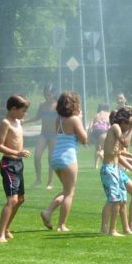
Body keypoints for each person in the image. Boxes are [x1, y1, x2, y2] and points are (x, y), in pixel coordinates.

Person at [41, 91, 88, 232]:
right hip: (68, 158)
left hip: (56, 157)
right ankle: (62, 225)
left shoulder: (58, 119)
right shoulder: (74, 119)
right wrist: (81, 120)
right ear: (73, 105)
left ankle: (48, 212)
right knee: (69, 193)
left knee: (66, 190)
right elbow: (84, 139)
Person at [0, 95, 32, 243]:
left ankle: (7, 228)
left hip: (18, 163)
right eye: (23, 110)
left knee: (20, 199)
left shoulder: (18, 121)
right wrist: (17, 152)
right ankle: (0, 234)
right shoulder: (6, 123)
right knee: (12, 200)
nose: (25, 114)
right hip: (8, 164)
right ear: (13, 109)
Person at [99, 106, 132, 236]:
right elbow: (126, 143)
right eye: (127, 124)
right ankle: (110, 229)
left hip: (115, 169)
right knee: (114, 200)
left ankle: (126, 228)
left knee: (122, 200)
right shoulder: (116, 127)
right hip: (109, 169)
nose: (128, 127)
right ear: (123, 121)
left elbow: (120, 151)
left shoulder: (119, 131)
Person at [30, 86, 58, 188]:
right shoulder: (42, 105)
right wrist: (25, 121)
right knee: (37, 156)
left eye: (49, 94)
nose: (47, 97)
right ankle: (38, 179)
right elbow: (37, 117)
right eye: (45, 94)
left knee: (51, 158)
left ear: (54, 94)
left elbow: (64, 118)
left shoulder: (58, 105)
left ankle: (50, 182)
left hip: (54, 135)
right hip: (44, 134)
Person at [90, 103, 110, 169]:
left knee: (97, 147)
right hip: (104, 130)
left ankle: (96, 165)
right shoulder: (108, 114)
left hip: (95, 131)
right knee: (105, 147)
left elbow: (91, 126)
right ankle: (101, 153)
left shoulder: (96, 115)